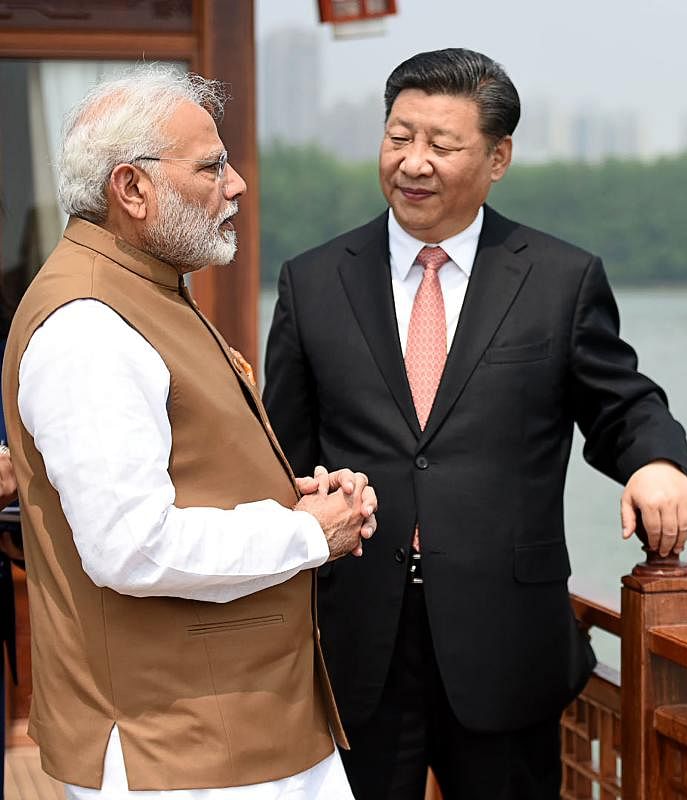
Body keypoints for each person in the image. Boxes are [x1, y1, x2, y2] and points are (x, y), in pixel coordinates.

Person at [263, 48, 687, 799]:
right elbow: (279, 452)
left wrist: (656, 463)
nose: (413, 162)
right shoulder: (314, 280)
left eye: (442, 144)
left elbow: (621, 402)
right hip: (356, 640)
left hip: (507, 644)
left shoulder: (560, 279)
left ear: (498, 158)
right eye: (399, 137)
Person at [0, 65, 379, 798]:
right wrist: (306, 535)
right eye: (211, 166)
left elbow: (183, 478)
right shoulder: (88, 327)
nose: (236, 184)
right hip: (176, 751)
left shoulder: (146, 287)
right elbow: (131, 547)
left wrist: (299, 500)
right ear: (131, 190)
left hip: (232, 731)